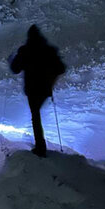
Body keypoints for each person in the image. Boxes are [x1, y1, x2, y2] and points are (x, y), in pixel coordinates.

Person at [9, 24, 66, 157]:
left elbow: (15, 69)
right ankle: (41, 146)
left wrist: (12, 60)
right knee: (36, 115)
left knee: (35, 116)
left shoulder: (25, 50)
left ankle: (40, 148)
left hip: (32, 89)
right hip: (45, 88)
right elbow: (61, 68)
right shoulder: (49, 50)